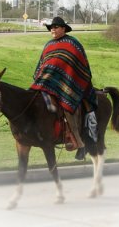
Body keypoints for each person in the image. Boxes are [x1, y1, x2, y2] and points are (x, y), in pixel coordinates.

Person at [30, 16, 97, 160]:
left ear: (64, 28)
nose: (53, 29)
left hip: (69, 85)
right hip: (45, 84)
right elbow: (42, 66)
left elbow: (79, 67)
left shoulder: (73, 43)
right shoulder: (48, 45)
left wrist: (63, 80)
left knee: (68, 107)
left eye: (56, 27)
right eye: (51, 28)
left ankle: (79, 142)